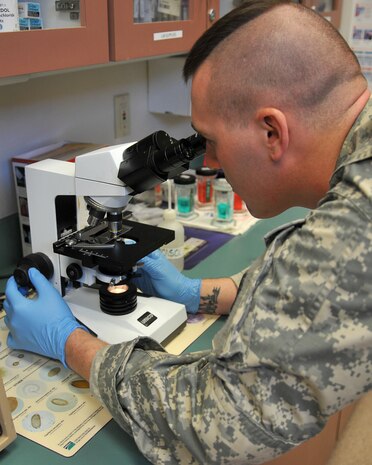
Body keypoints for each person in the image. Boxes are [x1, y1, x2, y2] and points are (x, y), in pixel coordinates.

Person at [4, 1, 372, 463]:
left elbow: (217, 420)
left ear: (272, 132)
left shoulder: (355, 224)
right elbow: (322, 303)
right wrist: (197, 292)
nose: (210, 163)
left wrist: (67, 341)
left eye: (211, 141)